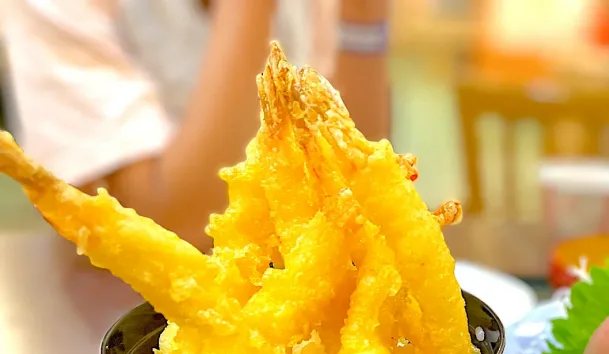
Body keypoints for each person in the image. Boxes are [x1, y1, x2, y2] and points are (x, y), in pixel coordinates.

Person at [1, 0, 391, 249]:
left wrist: (361, 12)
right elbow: (173, 228)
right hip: (132, 332)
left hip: (301, 292)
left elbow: (355, 174)